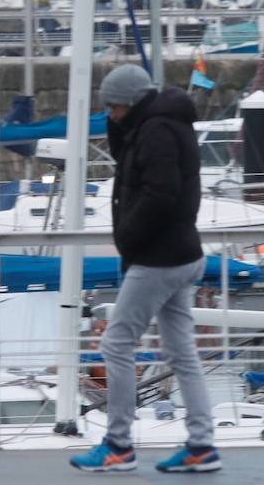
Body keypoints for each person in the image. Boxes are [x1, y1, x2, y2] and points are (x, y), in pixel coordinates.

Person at [69, 64, 220, 473]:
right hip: (183, 254)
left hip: (158, 258)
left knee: (116, 344)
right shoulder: (160, 126)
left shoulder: (156, 131)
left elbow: (161, 193)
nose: (112, 115)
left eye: (115, 108)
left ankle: (118, 444)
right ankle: (202, 445)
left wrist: (129, 238)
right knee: (183, 352)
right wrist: (118, 127)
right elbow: (128, 159)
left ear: (132, 104)